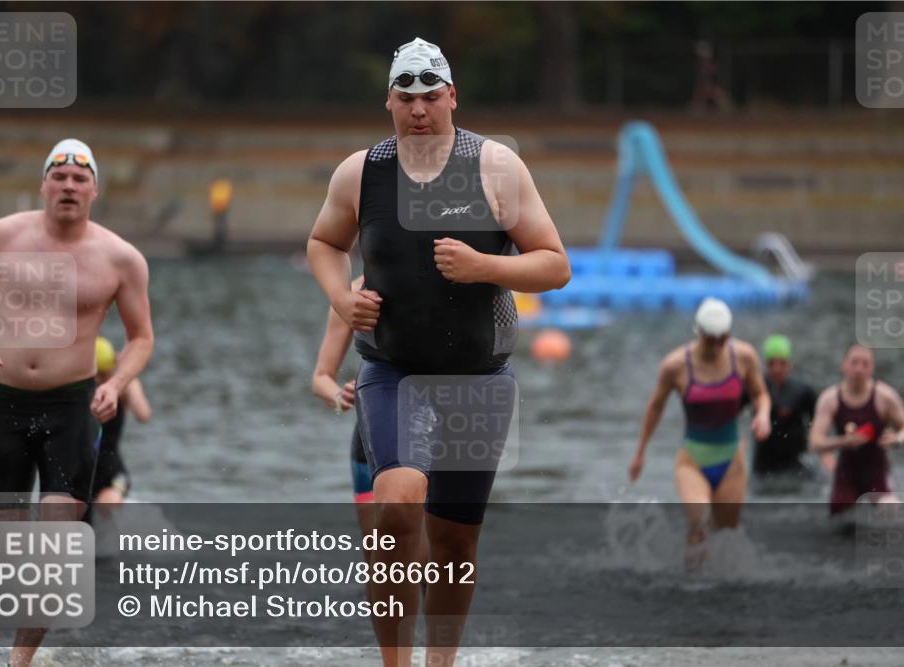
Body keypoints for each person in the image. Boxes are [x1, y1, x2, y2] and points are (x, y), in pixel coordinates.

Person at [307, 37, 570, 667]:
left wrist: (484, 265)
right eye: (406, 98)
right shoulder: (360, 171)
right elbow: (323, 242)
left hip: (479, 379)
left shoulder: (497, 167)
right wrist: (342, 300)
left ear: (452, 97)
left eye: (430, 96)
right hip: (392, 370)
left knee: (454, 544)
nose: (419, 109)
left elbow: (555, 265)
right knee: (397, 503)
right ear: (389, 103)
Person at [0, 138, 154, 667]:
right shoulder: (3, 237)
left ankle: (19, 660)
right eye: (59, 176)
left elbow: (142, 337)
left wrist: (115, 384)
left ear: (95, 188)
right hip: (3, 404)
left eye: (80, 178)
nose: (69, 186)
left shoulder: (120, 257)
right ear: (44, 184)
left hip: (72, 409)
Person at [629, 298, 771, 562]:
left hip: (731, 461)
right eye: (711, 339)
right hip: (692, 461)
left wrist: (763, 415)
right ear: (699, 333)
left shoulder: (744, 356)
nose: (717, 345)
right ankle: (692, 582)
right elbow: (656, 407)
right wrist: (640, 453)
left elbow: (761, 394)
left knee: (728, 532)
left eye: (722, 338)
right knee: (700, 519)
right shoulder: (675, 365)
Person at [808, 344, 904, 517]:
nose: (859, 369)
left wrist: (897, 438)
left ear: (872, 368)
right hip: (846, 473)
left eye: (865, 364)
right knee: (840, 523)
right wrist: (844, 442)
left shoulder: (885, 396)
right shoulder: (830, 399)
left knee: (892, 511)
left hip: (877, 471)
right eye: (854, 363)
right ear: (844, 365)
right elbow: (815, 442)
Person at [311, 276, 375, 534]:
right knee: (379, 555)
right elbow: (321, 378)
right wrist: (341, 396)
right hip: (370, 434)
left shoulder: (452, 279)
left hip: (439, 431)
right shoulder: (353, 293)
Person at [749, 334, 830, 493]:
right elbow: (733, 412)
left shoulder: (803, 391)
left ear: (790, 364)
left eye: (782, 363)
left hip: (795, 458)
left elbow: (819, 422)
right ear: (765, 365)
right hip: (764, 460)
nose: (777, 369)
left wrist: (825, 452)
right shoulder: (755, 389)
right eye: (772, 364)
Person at [88, 336, 152, 522]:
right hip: (81, 470)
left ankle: (118, 544)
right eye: (95, 376)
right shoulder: (77, 389)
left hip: (111, 471)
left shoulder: (123, 388)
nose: (99, 382)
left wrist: (127, 377)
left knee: (107, 504)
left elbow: (143, 414)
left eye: (103, 375)